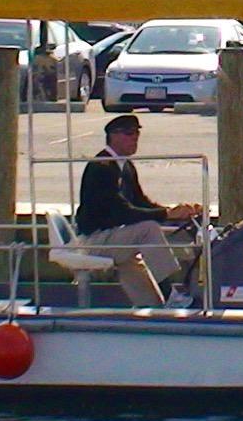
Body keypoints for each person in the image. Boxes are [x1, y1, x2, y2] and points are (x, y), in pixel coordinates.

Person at [75, 113, 202, 308]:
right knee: (148, 229)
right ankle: (171, 295)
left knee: (132, 262)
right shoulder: (101, 167)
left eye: (136, 133)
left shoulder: (125, 166)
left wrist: (173, 212)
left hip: (111, 236)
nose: (134, 137)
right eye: (128, 133)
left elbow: (140, 201)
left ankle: (152, 306)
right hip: (95, 239)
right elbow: (121, 212)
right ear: (113, 136)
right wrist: (165, 215)